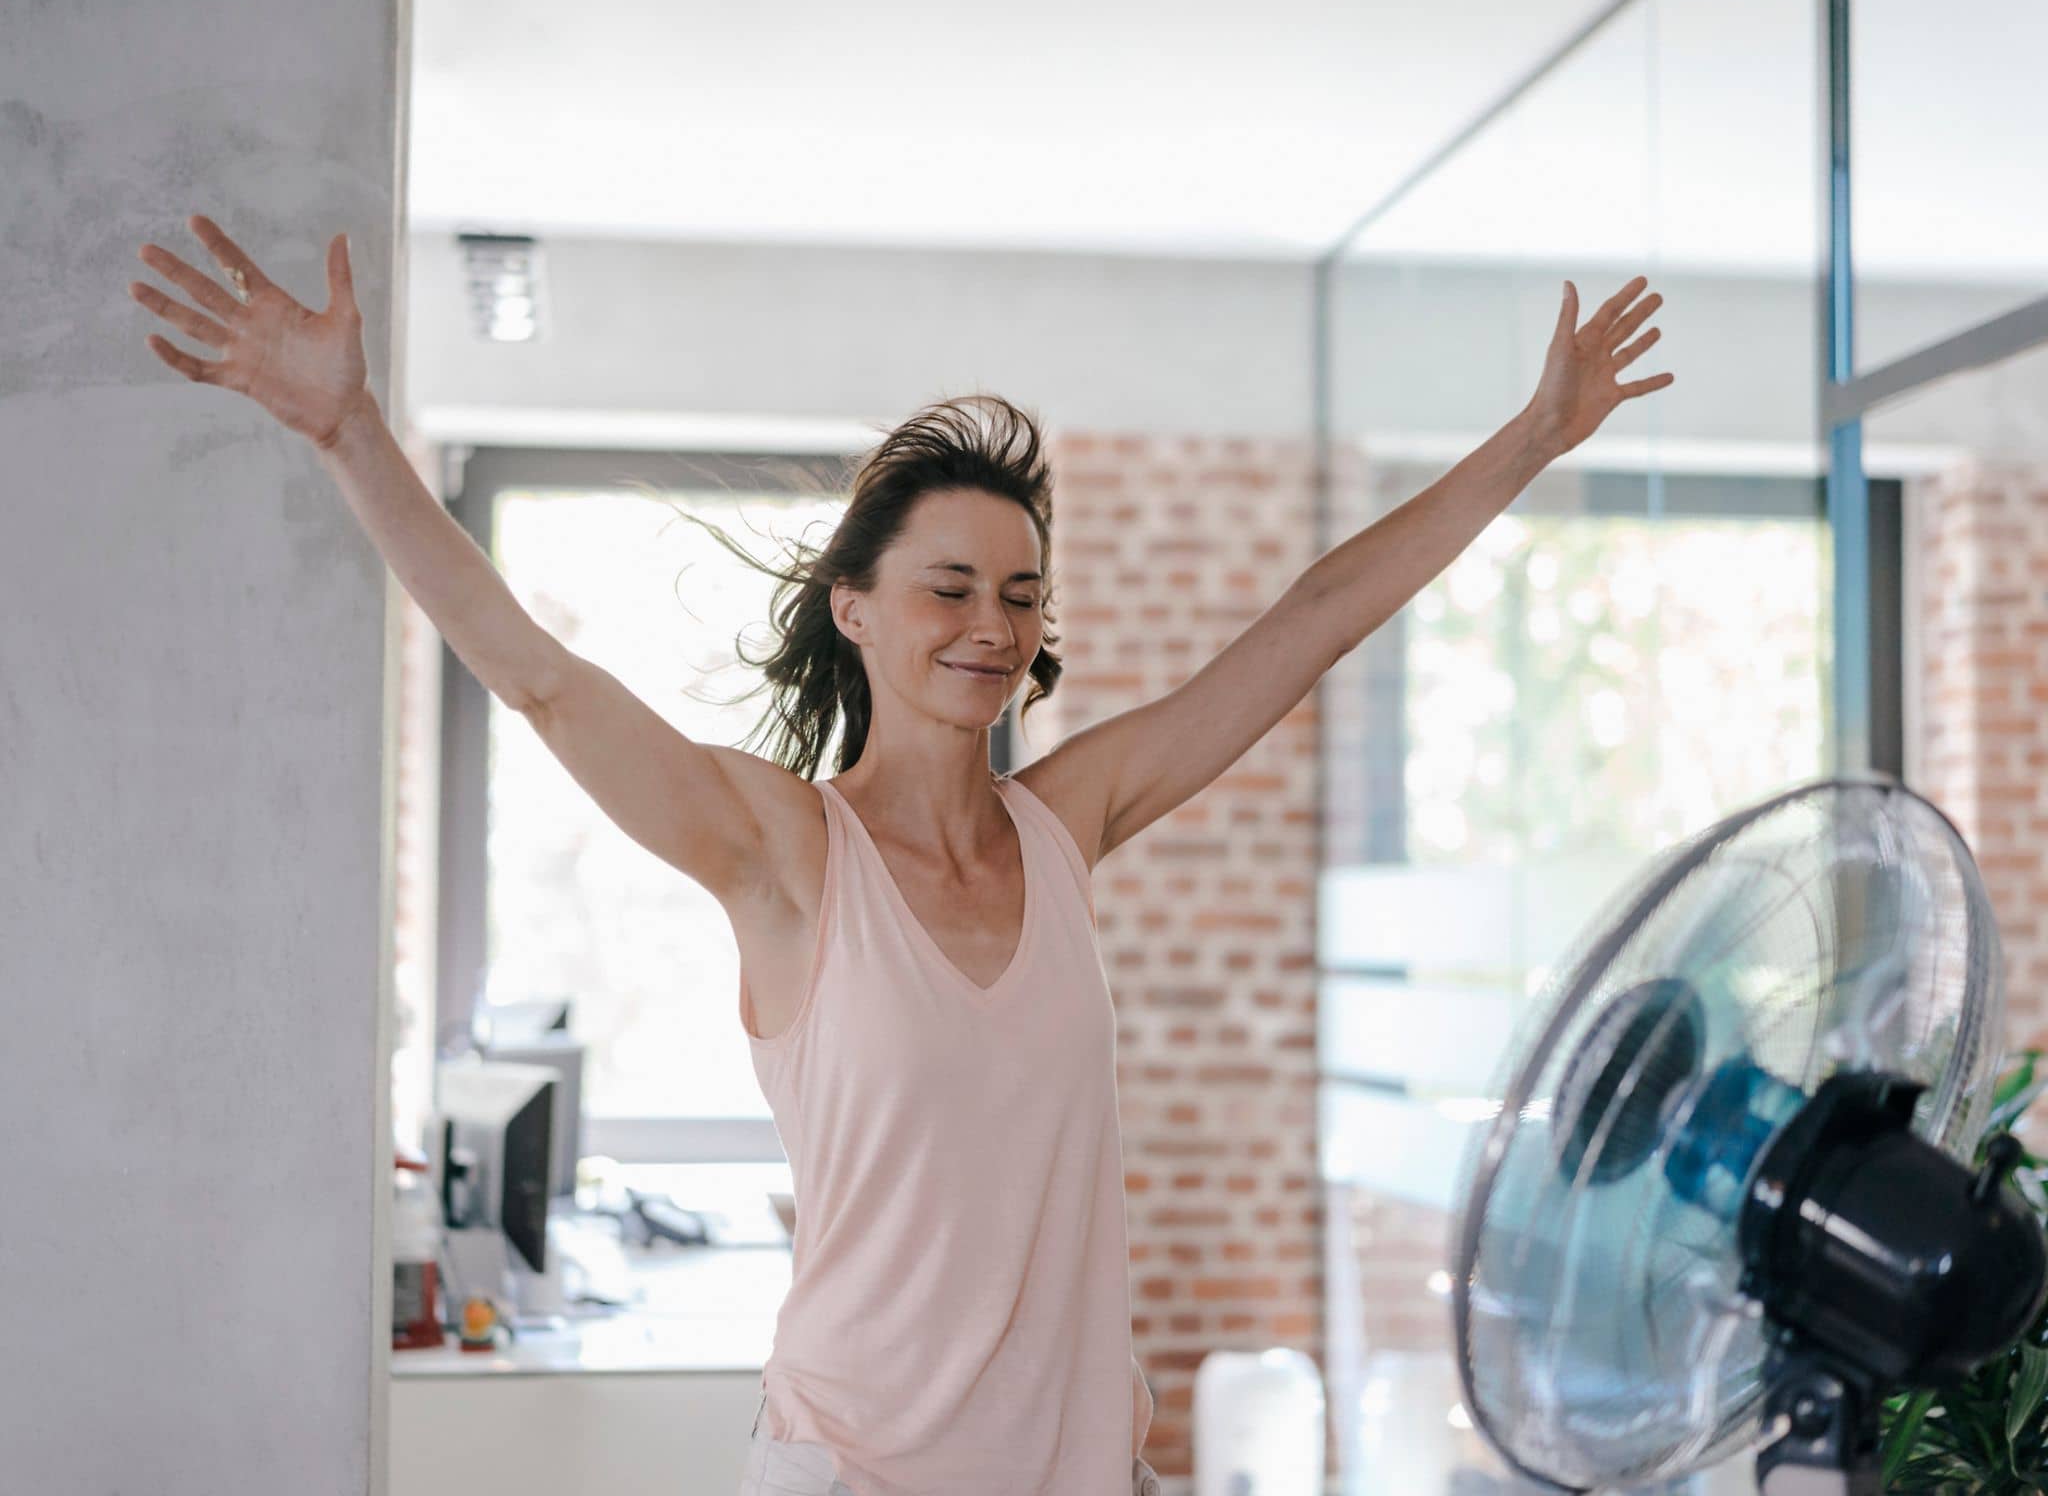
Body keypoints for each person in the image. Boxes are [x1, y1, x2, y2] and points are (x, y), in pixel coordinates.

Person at [130, 215, 1671, 1495]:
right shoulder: (789, 853)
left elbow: (1314, 621)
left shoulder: (1073, 823)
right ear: (854, 607)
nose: (993, 625)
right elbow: (540, 678)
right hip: (856, 1470)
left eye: (1020, 593)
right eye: (950, 587)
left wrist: (1533, 439)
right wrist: (350, 435)